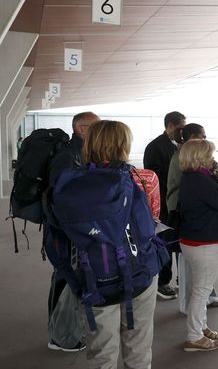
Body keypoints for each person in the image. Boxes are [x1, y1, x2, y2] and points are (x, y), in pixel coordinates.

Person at [79, 120, 161, 369]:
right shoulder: (145, 178)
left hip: (95, 276)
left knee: (101, 351)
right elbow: (154, 219)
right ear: (124, 145)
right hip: (140, 271)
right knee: (138, 348)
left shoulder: (73, 184)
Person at [46, 111, 100, 353]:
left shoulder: (79, 153)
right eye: (96, 126)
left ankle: (64, 331)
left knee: (69, 276)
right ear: (81, 129)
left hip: (70, 230)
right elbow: (60, 198)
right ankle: (59, 336)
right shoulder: (68, 156)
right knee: (64, 276)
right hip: (64, 232)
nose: (100, 130)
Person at [178, 139, 218, 351]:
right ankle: (194, 336)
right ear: (200, 158)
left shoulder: (194, 177)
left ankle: (201, 326)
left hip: (194, 240)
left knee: (199, 288)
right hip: (202, 242)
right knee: (202, 290)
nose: (213, 159)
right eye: (210, 155)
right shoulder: (200, 180)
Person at [167, 123, 218, 313]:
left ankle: (204, 301)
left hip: (192, 218)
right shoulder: (184, 159)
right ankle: (188, 307)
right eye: (203, 136)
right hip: (186, 219)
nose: (205, 139)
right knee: (188, 268)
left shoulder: (191, 160)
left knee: (199, 271)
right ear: (192, 137)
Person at [144, 111, 186, 300]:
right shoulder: (155, 147)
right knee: (165, 243)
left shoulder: (180, 145)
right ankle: (162, 282)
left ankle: (181, 279)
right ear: (169, 126)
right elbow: (153, 176)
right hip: (163, 204)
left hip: (177, 203)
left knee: (178, 242)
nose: (181, 132)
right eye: (179, 128)